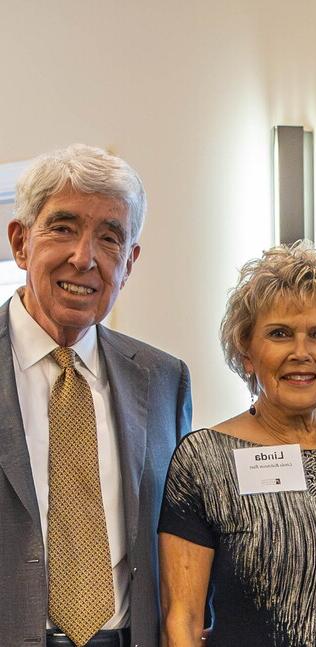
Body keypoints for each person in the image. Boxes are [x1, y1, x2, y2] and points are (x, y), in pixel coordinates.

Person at [158, 242, 316, 646]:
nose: (301, 353)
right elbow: (183, 620)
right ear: (247, 352)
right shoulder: (206, 460)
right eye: (279, 334)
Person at [0, 145, 192, 647]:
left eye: (109, 238)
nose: (83, 257)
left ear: (128, 263)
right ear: (21, 242)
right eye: (62, 228)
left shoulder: (164, 379)